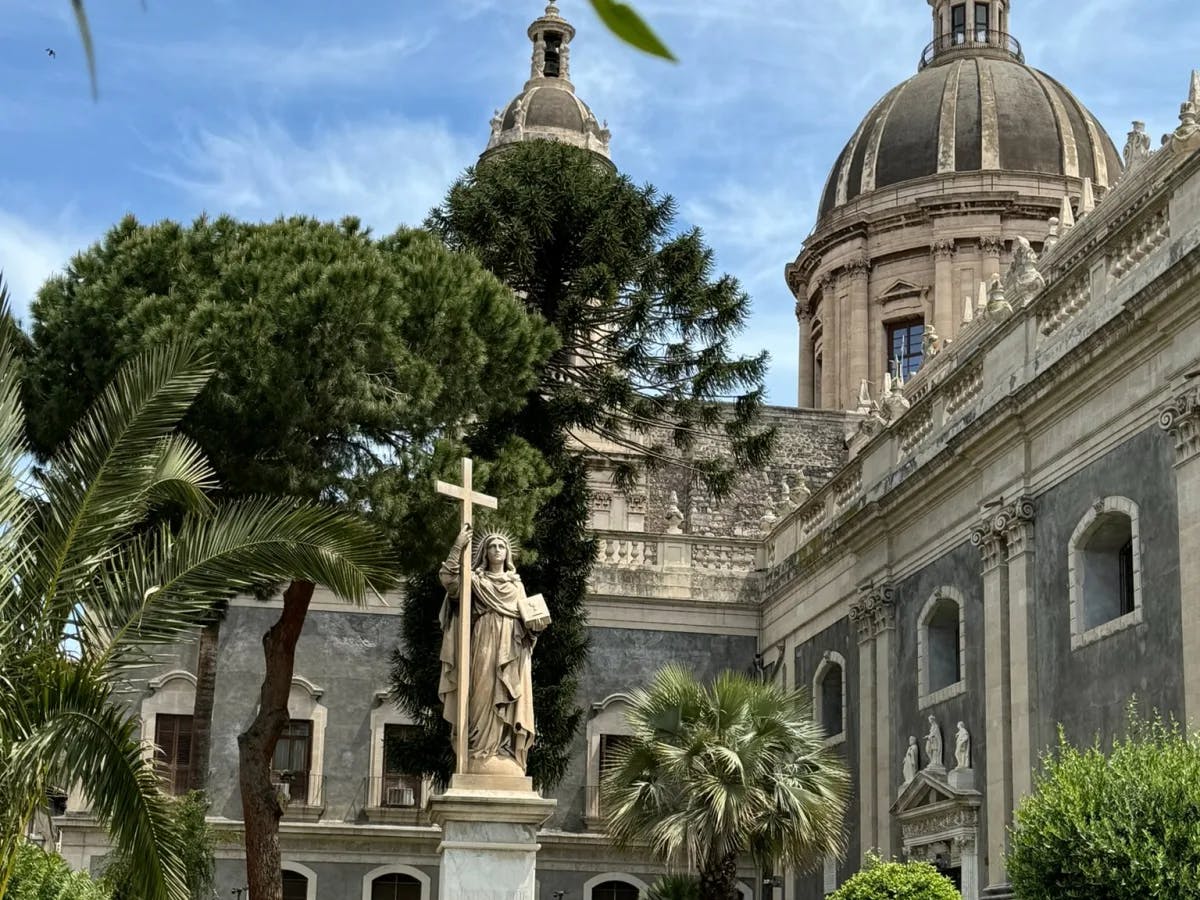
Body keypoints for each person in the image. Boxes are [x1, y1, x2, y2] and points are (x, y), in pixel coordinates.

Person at [438, 522, 547, 773]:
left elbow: (528, 621)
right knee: (481, 693)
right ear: (484, 553)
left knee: (510, 696)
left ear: (508, 553)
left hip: (512, 647)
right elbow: (449, 580)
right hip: (484, 641)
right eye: (492, 546)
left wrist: (536, 627)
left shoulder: (516, 585)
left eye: (501, 546)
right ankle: (478, 748)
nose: (497, 550)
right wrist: (457, 547)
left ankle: (504, 749)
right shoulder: (475, 580)